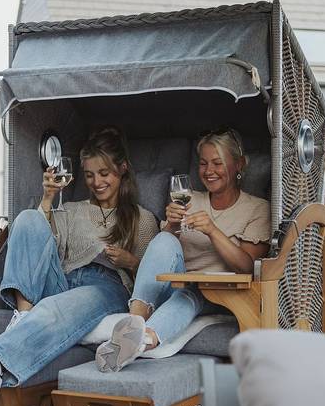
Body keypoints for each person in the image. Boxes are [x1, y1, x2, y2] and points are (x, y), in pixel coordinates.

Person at [0, 127, 159, 396]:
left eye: (104, 174)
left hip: (107, 287)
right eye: (90, 175)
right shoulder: (71, 210)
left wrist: (130, 261)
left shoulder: (143, 219)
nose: (96, 182)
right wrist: (47, 198)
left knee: (57, 307)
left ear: (122, 169)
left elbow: (152, 284)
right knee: (27, 218)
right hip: (64, 279)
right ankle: (23, 316)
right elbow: (37, 243)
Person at [96, 128, 271, 372]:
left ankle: (142, 341)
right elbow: (163, 252)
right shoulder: (190, 199)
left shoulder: (257, 209)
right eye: (203, 163)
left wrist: (212, 230)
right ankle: (134, 323)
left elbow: (247, 267)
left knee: (189, 295)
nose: (209, 171)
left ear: (239, 164)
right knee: (164, 240)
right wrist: (173, 226)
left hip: (219, 294)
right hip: (174, 284)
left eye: (217, 163)